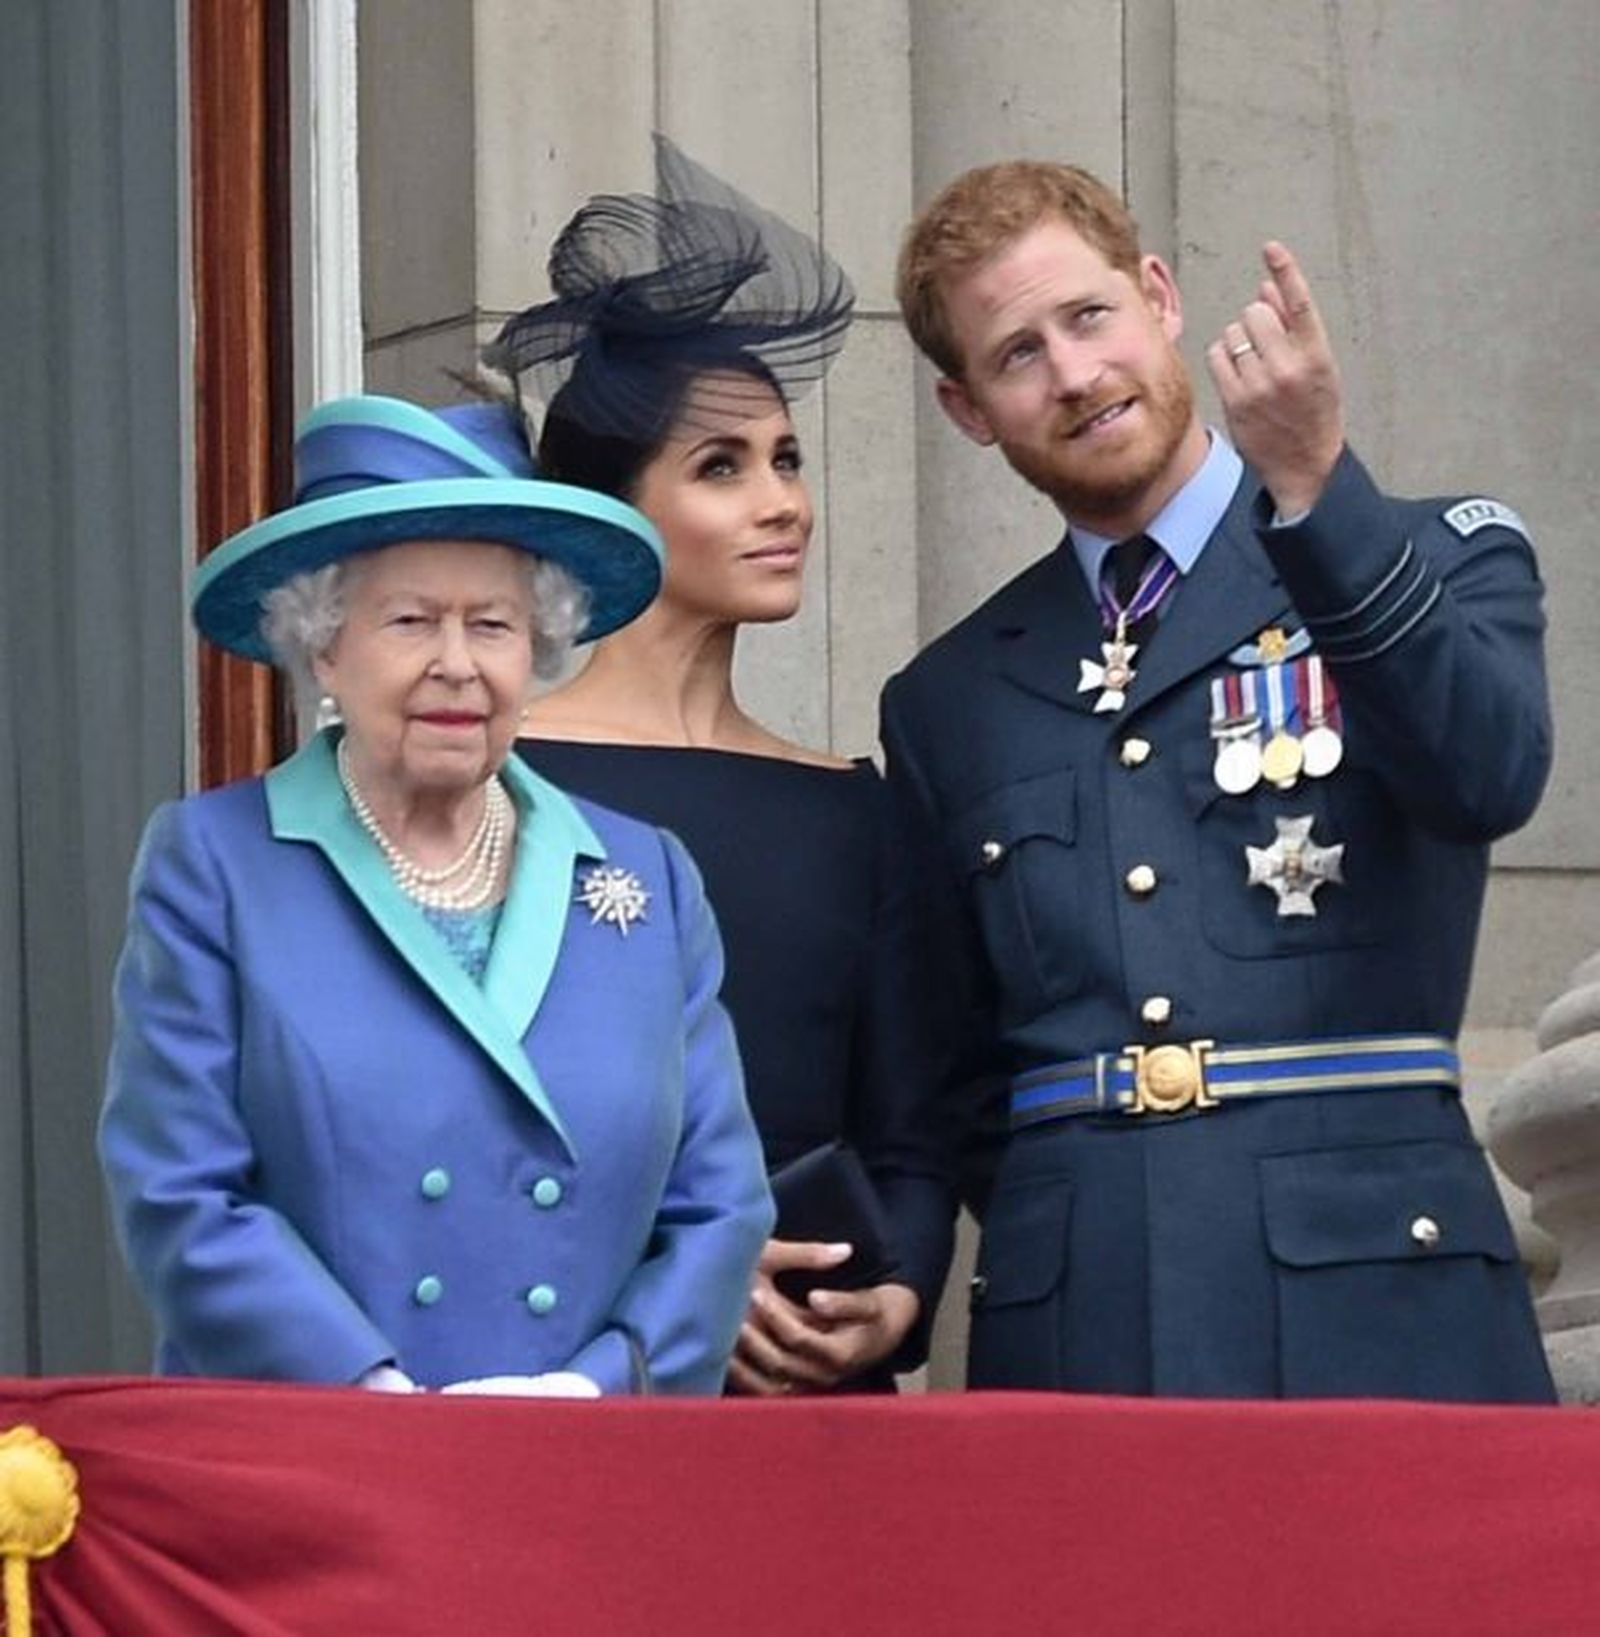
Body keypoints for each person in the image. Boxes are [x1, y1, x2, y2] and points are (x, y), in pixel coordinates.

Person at [880, 159, 1555, 1402]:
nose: (1075, 374)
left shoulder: (1425, 553)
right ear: (968, 408)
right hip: (1082, 1315)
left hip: (1375, 1297)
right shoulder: (947, 698)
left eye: (1088, 317)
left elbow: (1487, 775)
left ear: (1157, 296)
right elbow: (957, 1064)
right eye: (1016, 353)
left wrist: (1314, 489)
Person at [99, 391, 774, 1396]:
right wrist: (373, 1392)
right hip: (322, 1454)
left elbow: (719, 1207)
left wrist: (593, 1388)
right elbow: (182, 1191)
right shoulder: (216, 864)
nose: (456, 664)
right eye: (410, 620)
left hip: (583, 1461)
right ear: (325, 646)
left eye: (493, 624)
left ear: (535, 649)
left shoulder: (649, 879)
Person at [486, 136, 955, 1395]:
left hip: (818, 1412)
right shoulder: (491, 784)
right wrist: (674, 1278)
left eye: (788, 460)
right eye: (722, 467)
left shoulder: (858, 808)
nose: (783, 502)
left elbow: (914, 1135)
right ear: (614, 516)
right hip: (568, 1389)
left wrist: (897, 1293)